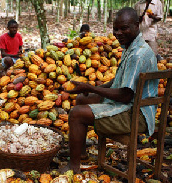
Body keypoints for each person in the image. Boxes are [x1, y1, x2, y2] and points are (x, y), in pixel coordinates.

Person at [62, 7, 158, 173]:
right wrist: (90, 89)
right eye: (115, 29)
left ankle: (74, 166)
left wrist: (91, 87)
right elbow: (118, 82)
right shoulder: (132, 47)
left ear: (136, 25)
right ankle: (82, 153)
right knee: (82, 100)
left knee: (76, 114)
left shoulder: (137, 55)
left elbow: (125, 95)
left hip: (135, 114)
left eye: (124, 28)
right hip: (131, 105)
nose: (118, 33)